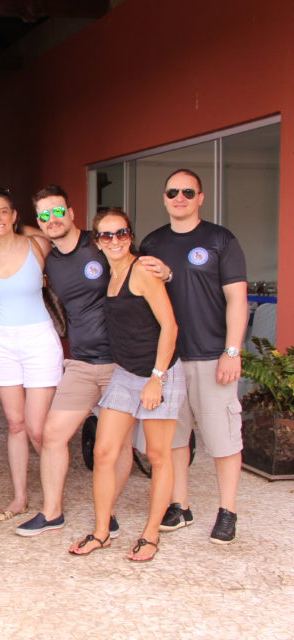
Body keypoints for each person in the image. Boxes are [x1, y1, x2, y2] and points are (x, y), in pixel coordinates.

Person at [139, 168, 248, 544]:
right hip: (169, 360)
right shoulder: (152, 243)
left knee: (223, 438)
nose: (180, 198)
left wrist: (231, 351)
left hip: (210, 354)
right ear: (164, 198)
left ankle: (227, 510)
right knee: (174, 439)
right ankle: (180, 505)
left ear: (201, 197)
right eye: (173, 192)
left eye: (188, 191)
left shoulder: (220, 239)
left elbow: (237, 300)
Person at [69, 208, 184, 562]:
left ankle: (151, 535)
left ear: (130, 236)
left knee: (158, 456)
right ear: (97, 242)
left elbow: (170, 327)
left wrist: (157, 379)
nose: (115, 240)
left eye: (121, 233)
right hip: (126, 372)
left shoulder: (142, 271)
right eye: (107, 235)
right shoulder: (112, 274)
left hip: (158, 372)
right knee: (104, 453)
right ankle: (102, 531)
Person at [16, 185, 128, 537]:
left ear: (72, 211)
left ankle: (106, 511)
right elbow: (20, 231)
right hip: (80, 363)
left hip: (120, 362)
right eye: (45, 215)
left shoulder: (100, 243)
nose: (53, 219)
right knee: (52, 435)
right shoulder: (50, 260)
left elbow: (136, 270)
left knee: (117, 445)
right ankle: (52, 513)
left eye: (58, 211)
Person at [0, 187, 62, 522]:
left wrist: (25, 229)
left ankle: (52, 497)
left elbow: (56, 234)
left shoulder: (37, 246)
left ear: (14, 216)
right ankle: (20, 497)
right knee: (15, 424)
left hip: (39, 338)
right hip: (1, 342)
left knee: (38, 428)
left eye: (2, 212)